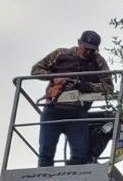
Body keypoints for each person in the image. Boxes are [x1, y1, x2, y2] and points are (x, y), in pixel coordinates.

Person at [31, 31, 112, 167]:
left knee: (80, 152)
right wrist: (54, 77)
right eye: (86, 47)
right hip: (53, 109)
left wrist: (83, 85)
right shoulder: (61, 54)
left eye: (92, 50)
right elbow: (36, 70)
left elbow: (108, 87)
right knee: (46, 149)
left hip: (78, 111)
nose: (88, 52)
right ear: (79, 43)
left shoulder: (98, 62)